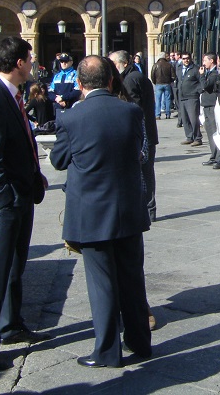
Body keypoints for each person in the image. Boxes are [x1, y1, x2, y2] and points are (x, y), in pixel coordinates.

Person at [50, 56, 152, 368]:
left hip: (92, 213)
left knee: (101, 282)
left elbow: (58, 160)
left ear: (79, 84)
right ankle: (139, 342)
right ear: (111, 80)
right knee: (132, 279)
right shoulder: (131, 111)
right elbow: (137, 152)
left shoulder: (71, 118)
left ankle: (107, 351)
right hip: (127, 209)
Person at [0, 37, 51, 372]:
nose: (32, 63)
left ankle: (10, 323)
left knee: (15, 265)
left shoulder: (11, 94)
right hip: (5, 202)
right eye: (29, 58)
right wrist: (4, 199)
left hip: (21, 194)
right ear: (17, 62)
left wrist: (34, 175)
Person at [109, 50, 158, 222]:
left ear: (120, 64)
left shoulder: (130, 79)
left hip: (142, 134)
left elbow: (133, 109)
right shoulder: (136, 75)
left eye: (112, 64)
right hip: (147, 132)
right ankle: (148, 208)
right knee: (146, 172)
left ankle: (147, 209)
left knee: (144, 173)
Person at [199, 52, 220, 169]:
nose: (203, 63)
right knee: (210, 132)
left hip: (212, 104)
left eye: (205, 60)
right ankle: (214, 155)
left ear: (211, 61)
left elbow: (205, 86)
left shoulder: (214, 74)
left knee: (215, 132)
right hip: (207, 104)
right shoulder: (209, 72)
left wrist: (201, 75)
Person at [176, 52, 202, 146]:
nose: (185, 60)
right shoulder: (179, 69)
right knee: (185, 118)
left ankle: (197, 138)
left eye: (187, 58)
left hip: (192, 97)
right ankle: (189, 137)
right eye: (183, 59)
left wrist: (197, 91)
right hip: (182, 96)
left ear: (190, 58)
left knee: (193, 118)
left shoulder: (195, 69)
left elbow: (201, 81)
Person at [151, 52, 176, 119]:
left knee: (158, 99)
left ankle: (158, 115)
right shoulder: (169, 65)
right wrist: (170, 81)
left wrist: (155, 82)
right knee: (167, 99)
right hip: (167, 83)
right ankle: (168, 114)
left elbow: (152, 75)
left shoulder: (155, 65)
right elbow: (173, 76)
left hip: (158, 84)